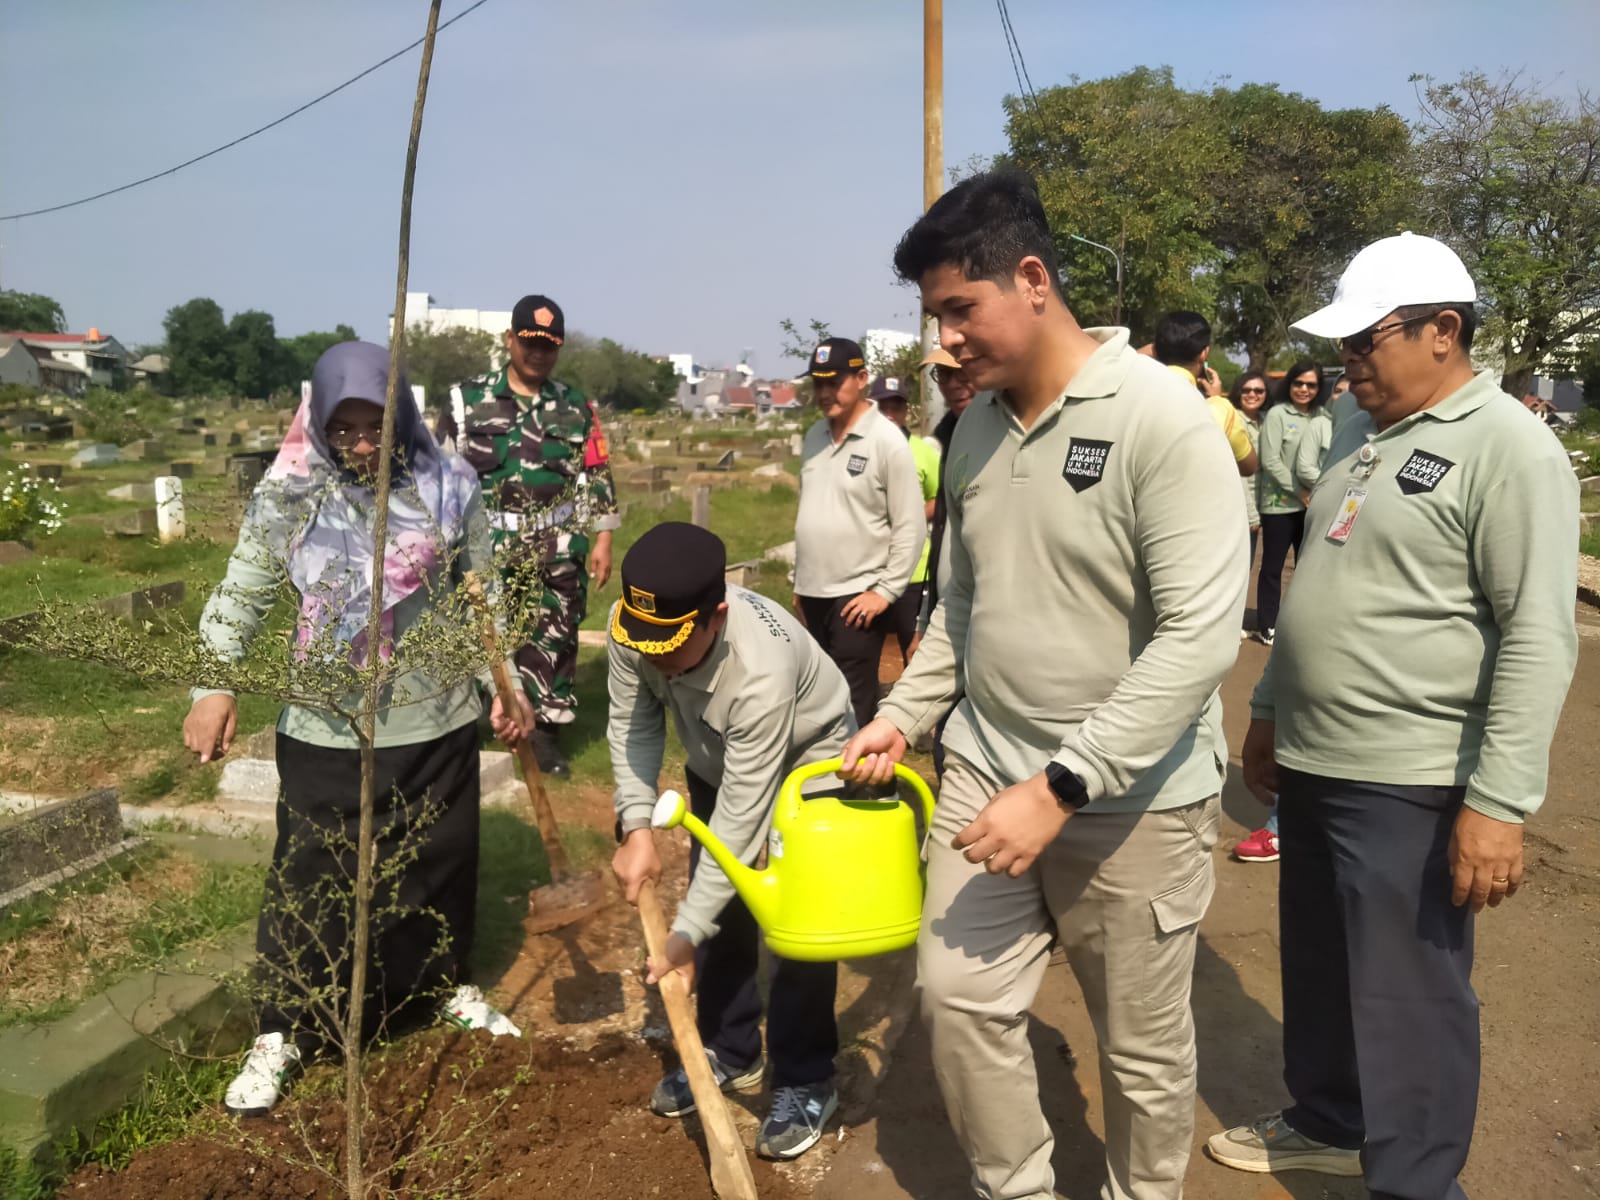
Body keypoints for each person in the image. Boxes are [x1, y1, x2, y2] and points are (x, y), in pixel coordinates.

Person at [841, 169, 1248, 1200]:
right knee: (959, 995)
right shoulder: (972, 430)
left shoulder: (1163, 419)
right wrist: (900, 716)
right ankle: (1013, 1185)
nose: (945, 342)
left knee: (1140, 1050)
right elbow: (961, 612)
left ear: (1031, 279)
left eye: (957, 310)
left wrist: (1062, 785)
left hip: (1133, 796)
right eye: (936, 317)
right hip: (987, 769)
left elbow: (1202, 636)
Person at [1209, 233, 1579, 1199]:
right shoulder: (1364, 440)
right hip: (1323, 766)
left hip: (1410, 779)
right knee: (1327, 969)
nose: (1349, 364)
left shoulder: (1507, 448)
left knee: (1409, 997)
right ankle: (1332, 1120)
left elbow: (1539, 635)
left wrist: (1498, 803)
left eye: (1367, 342)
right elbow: (1318, 588)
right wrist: (1272, 707)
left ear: (1443, 332)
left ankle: (1415, 1184)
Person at [184, 342, 530, 1117]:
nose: (363, 447)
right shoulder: (291, 493)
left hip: (435, 718)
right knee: (312, 875)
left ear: (402, 416)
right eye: (345, 431)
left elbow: (483, 591)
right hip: (326, 722)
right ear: (321, 424)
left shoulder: (448, 484)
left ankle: (433, 990)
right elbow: (244, 588)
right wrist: (214, 685)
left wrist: (500, 680)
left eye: (377, 427)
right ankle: (286, 1027)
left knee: (435, 863)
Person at [606, 523, 853, 1160]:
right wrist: (635, 826)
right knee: (722, 911)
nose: (654, 657)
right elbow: (633, 726)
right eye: (646, 642)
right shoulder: (635, 624)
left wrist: (682, 934)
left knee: (793, 922)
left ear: (717, 613)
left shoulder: (759, 672)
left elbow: (742, 823)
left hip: (809, 770)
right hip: (720, 759)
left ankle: (804, 1078)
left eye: (672, 645)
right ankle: (729, 1047)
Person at [449, 295, 620, 776]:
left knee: (554, 637)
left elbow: (596, 471)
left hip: (555, 546)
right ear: (510, 340)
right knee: (477, 633)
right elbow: (440, 473)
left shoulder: (576, 407)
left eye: (549, 345)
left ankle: (545, 735)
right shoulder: (468, 400)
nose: (538, 353)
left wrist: (603, 537)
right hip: (486, 546)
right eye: (529, 342)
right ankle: (471, 723)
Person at [793, 336, 925, 730]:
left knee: (853, 703)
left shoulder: (886, 441)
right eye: (818, 383)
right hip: (814, 593)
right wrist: (799, 581)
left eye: (834, 382)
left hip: (856, 597)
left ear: (862, 378)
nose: (824, 392)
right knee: (816, 697)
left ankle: (863, 786)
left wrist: (883, 592)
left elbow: (911, 526)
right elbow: (810, 509)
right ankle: (822, 784)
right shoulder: (815, 437)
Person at [868, 374, 941, 663]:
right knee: (861, 653)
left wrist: (911, 516)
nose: (889, 414)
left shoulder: (924, 452)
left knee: (914, 651)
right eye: (882, 406)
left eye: (895, 407)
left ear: (905, 410)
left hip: (913, 568)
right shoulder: (861, 448)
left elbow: (940, 496)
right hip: (867, 568)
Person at [1253, 360, 1325, 646]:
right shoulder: (1277, 415)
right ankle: (1267, 624)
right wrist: (1299, 491)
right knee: (1273, 567)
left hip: (1312, 505)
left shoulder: (1322, 416)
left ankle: (1299, 623)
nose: (1304, 389)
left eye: (1311, 385)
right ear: (1289, 384)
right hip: (1280, 505)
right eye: (1299, 383)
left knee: (1308, 567)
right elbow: (1270, 460)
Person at [1153, 310, 1259, 477]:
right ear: (1204, 354)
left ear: (1155, 351)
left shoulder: (1131, 395)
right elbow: (1249, 466)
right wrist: (1216, 400)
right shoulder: (1218, 409)